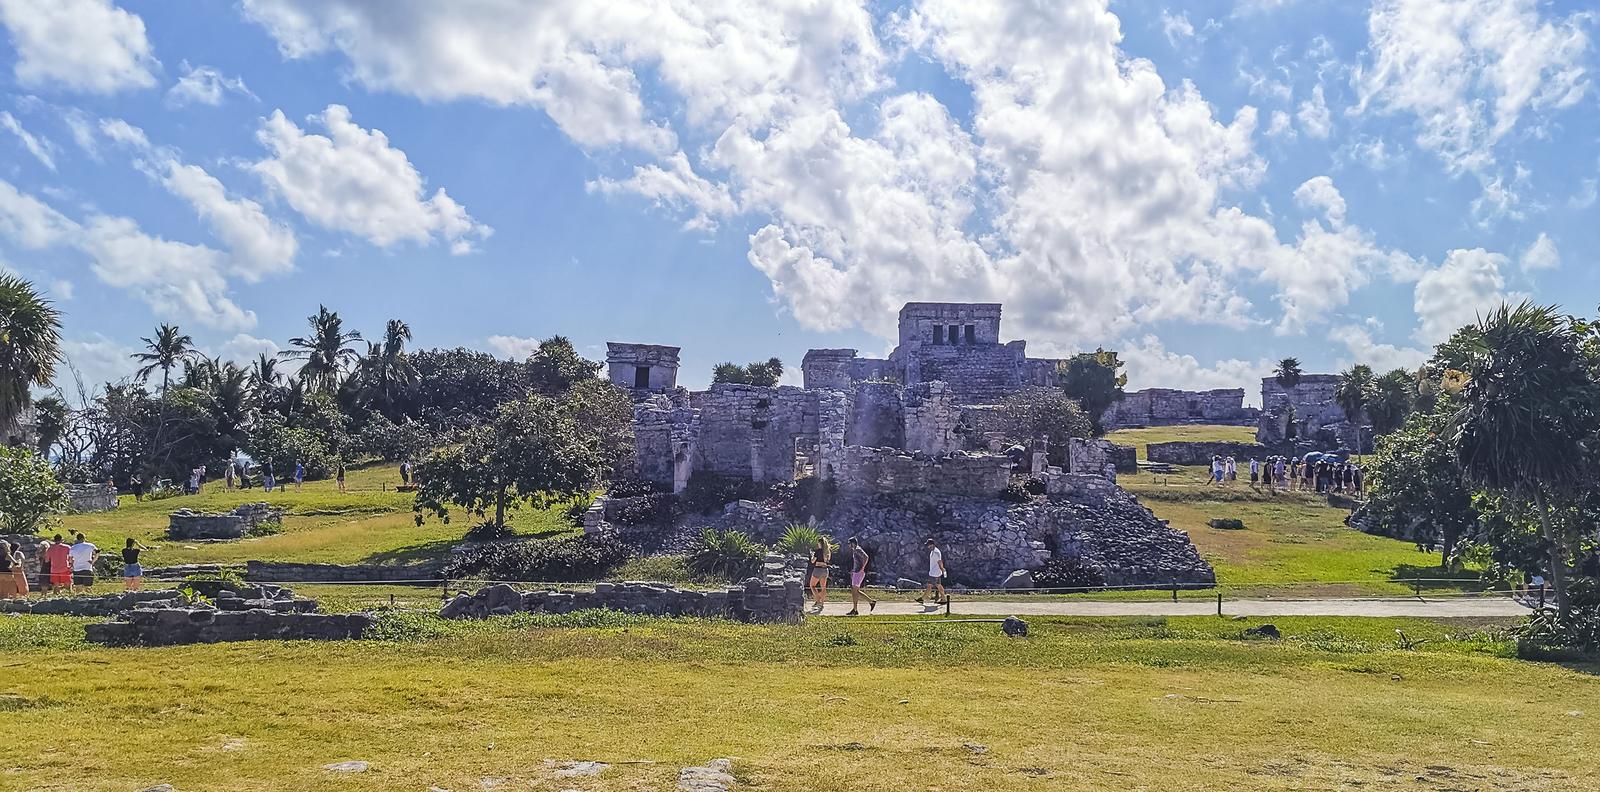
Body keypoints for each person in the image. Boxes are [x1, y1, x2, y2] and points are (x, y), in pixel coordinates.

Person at [845, 537, 876, 616]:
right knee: (855, 591)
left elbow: (866, 557)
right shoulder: (855, 550)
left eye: (849, 543)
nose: (848, 545)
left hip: (858, 572)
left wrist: (862, 568)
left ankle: (857, 609)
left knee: (855, 591)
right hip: (856, 572)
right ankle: (867, 603)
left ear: (853, 543)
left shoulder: (858, 549)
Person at [917, 538, 946, 606]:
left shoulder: (936, 552)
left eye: (929, 545)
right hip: (934, 572)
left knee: (930, 586)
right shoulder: (933, 551)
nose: (928, 546)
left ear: (932, 545)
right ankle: (944, 599)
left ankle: (923, 598)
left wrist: (942, 569)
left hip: (935, 573)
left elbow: (940, 561)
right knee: (938, 585)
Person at [807, 537, 831, 611]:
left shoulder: (818, 551)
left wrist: (812, 555)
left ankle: (818, 600)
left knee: (812, 585)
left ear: (820, 543)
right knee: (823, 587)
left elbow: (813, 561)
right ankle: (822, 603)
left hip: (818, 569)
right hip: (825, 570)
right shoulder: (828, 551)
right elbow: (827, 561)